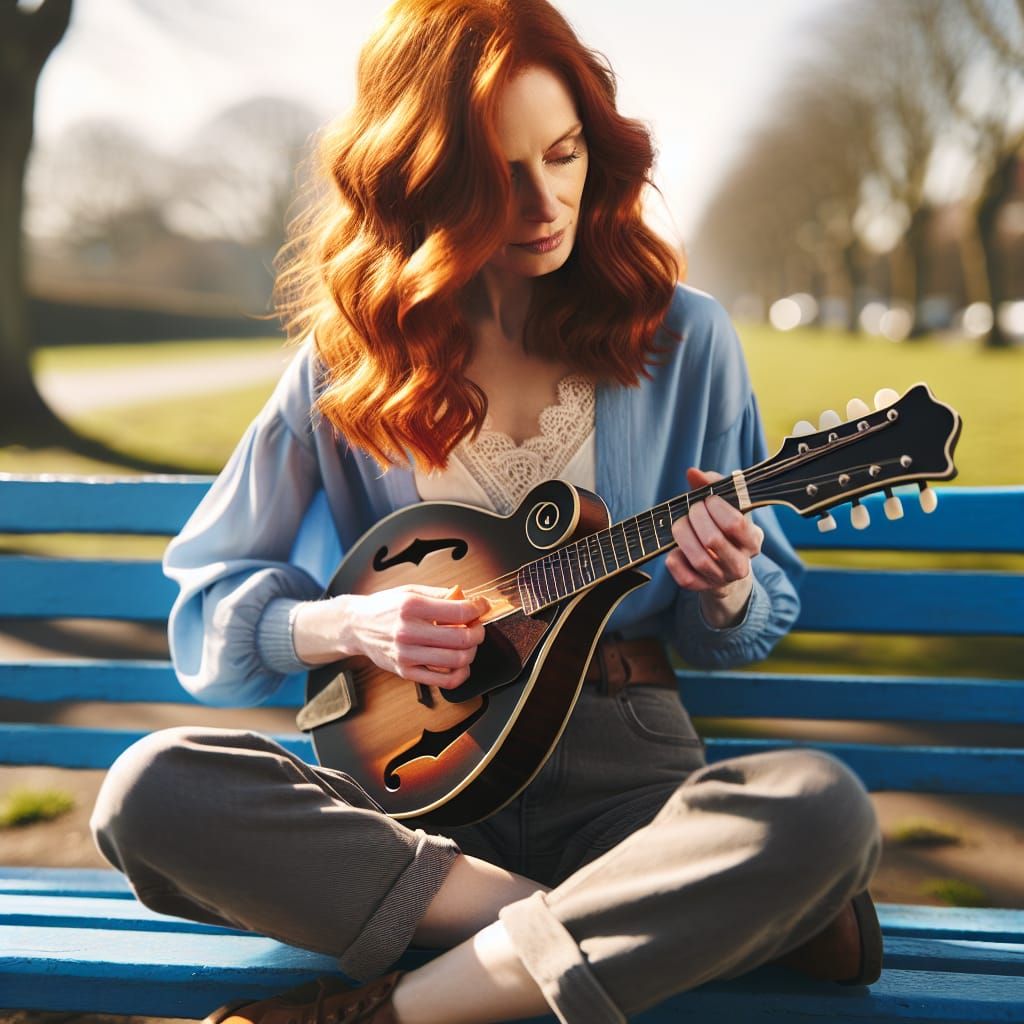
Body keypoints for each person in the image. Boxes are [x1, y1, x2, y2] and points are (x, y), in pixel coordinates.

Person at [90, 2, 882, 1022]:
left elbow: (744, 619)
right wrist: (350, 623)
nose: (545, 200)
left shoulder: (685, 338)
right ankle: (629, 926)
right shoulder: (349, 362)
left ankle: (397, 1008)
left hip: (625, 776)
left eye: (563, 154)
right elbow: (209, 609)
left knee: (818, 811)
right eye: (497, 176)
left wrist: (726, 584)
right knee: (151, 790)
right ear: (421, 180)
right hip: (411, 801)